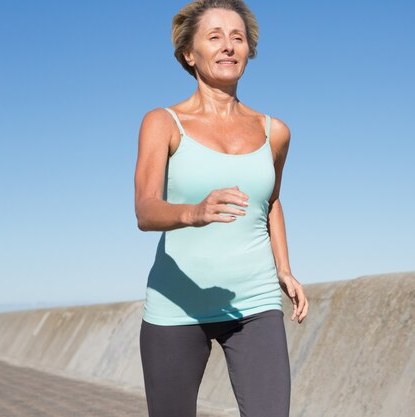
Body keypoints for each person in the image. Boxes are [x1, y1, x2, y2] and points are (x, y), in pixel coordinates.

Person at [134, 1, 309, 416]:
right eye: (214, 36)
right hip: (176, 305)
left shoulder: (275, 132)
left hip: (255, 301)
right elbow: (145, 210)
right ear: (189, 54)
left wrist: (283, 269)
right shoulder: (163, 122)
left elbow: (272, 202)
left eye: (238, 37)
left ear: (249, 51)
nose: (229, 46)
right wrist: (193, 213)